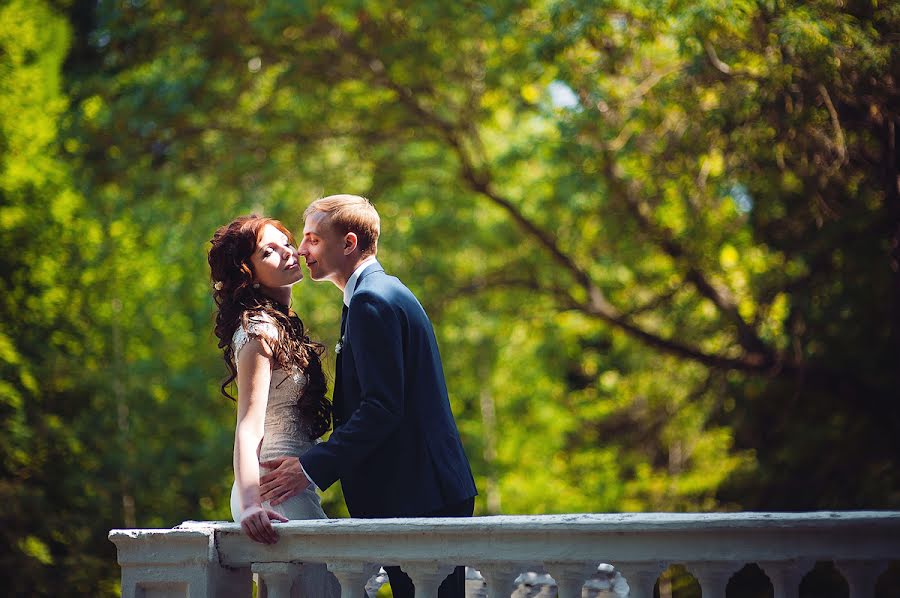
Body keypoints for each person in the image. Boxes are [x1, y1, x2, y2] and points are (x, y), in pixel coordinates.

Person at [258, 195, 478, 598]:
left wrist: (309, 467)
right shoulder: (375, 293)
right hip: (417, 491)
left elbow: (381, 408)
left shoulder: (371, 300)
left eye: (312, 239)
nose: (302, 250)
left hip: (419, 494)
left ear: (348, 243)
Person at [207, 215, 340, 596]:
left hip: (291, 484)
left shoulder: (282, 324)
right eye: (269, 251)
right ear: (247, 273)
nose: (287, 251)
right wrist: (250, 505)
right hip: (273, 490)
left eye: (285, 242)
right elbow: (249, 425)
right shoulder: (259, 329)